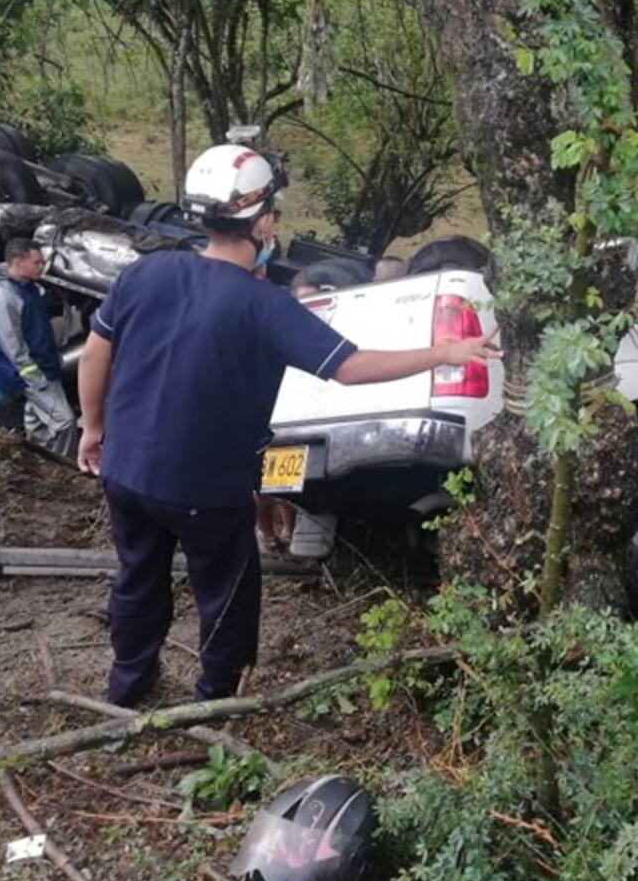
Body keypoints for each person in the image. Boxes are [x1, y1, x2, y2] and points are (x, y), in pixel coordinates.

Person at [75, 144, 499, 706]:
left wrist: (92, 428)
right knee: (226, 593)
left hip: (126, 472)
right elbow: (352, 368)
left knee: (136, 576)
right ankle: (217, 700)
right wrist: (442, 352)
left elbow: (93, 354)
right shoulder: (265, 306)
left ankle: (127, 687)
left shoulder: (146, 273)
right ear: (262, 221)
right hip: (206, 488)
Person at [0, 238, 78, 457]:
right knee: (64, 421)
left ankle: (40, 462)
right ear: (18, 261)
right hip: (31, 374)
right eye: (37, 262)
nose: (42, 267)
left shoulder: (25, 288)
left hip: (38, 368)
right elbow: (13, 346)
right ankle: (60, 467)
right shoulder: (3, 297)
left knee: (37, 425)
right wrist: (36, 378)